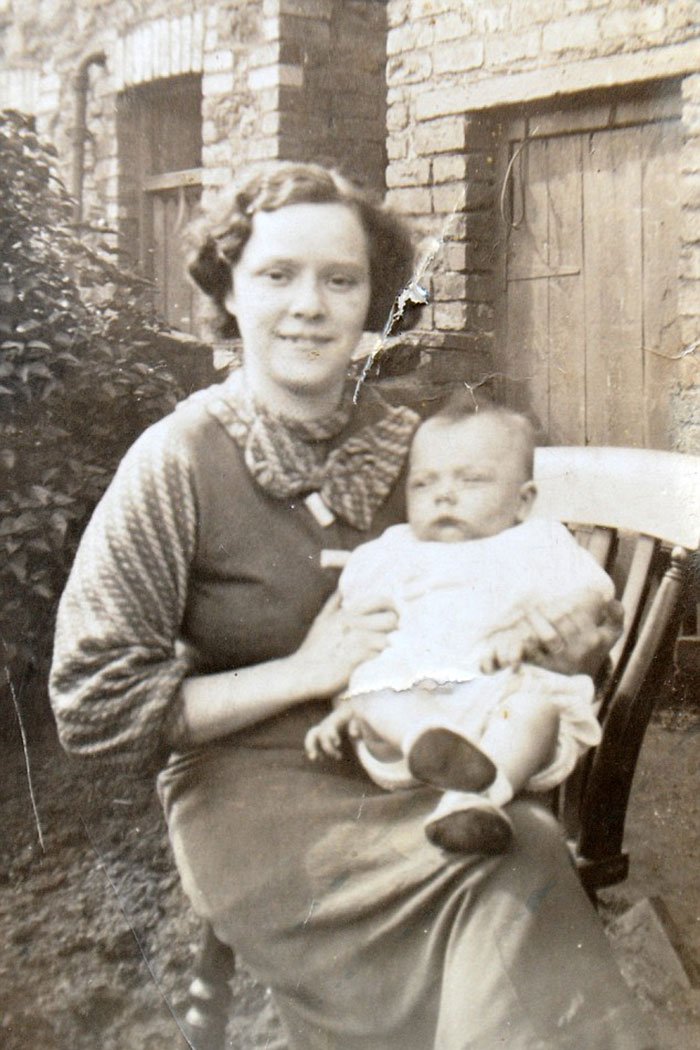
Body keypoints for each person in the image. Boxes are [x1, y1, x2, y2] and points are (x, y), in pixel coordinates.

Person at [49, 161, 652, 1050]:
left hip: (438, 759)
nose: (310, 306)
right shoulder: (177, 462)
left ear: (373, 299)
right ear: (228, 291)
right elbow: (94, 707)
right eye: (277, 276)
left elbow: (535, 578)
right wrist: (306, 672)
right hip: (256, 791)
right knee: (508, 872)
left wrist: (563, 640)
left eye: (341, 280)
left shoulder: (424, 448)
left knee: (517, 850)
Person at [305, 400, 618, 856]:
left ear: (523, 501)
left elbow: (593, 596)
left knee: (537, 710)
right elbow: (357, 641)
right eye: (423, 483)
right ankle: (428, 745)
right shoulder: (392, 552)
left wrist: (534, 632)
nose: (444, 495)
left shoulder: (538, 542)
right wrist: (350, 708)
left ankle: (474, 803)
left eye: (470, 480)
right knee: (374, 687)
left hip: (500, 713)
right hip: (409, 722)